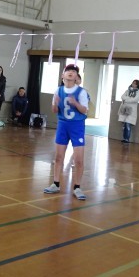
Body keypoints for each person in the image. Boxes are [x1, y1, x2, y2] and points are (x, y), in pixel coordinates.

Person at [44, 64, 90, 201]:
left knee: (79, 160)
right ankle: (56, 184)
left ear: (77, 77)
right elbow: (54, 110)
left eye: (74, 71)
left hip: (77, 126)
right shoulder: (58, 91)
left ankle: (77, 187)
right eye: (68, 70)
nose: (71, 72)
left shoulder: (81, 92)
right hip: (63, 125)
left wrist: (75, 103)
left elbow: (84, 110)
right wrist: (55, 104)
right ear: (62, 75)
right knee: (58, 157)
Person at [118, 79, 139, 143]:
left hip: (131, 110)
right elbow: (122, 97)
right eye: (133, 83)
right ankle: (124, 138)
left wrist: (127, 99)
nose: (133, 84)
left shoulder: (138, 92)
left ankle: (127, 139)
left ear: (137, 85)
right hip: (125, 108)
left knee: (128, 124)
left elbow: (135, 100)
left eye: (135, 83)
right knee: (124, 125)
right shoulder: (127, 90)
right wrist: (129, 99)